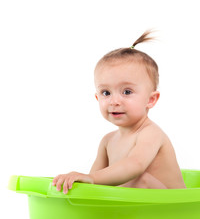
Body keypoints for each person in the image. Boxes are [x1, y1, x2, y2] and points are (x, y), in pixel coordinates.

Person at [52, 30, 186, 194]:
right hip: (140, 211)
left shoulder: (150, 133)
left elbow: (135, 165)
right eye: (106, 93)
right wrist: (81, 180)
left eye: (127, 92)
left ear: (151, 100)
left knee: (138, 179)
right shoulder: (107, 141)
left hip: (175, 208)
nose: (114, 101)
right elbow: (93, 181)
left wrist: (92, 178)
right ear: (97, 98)